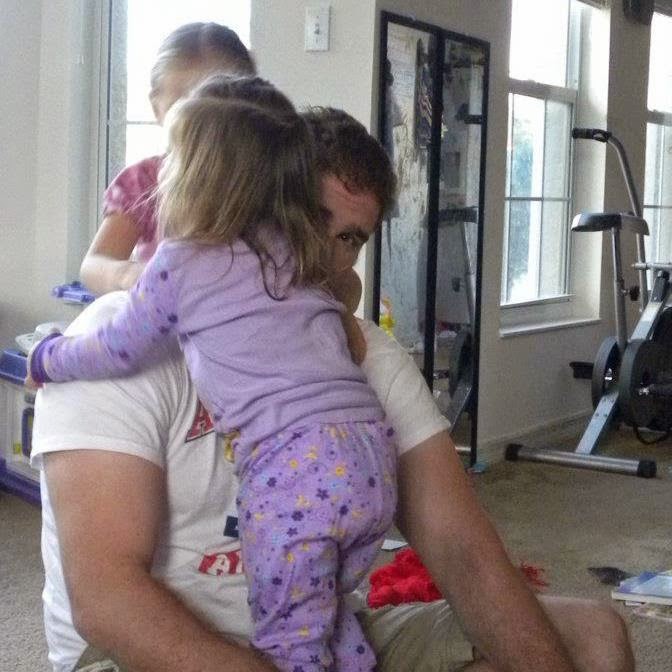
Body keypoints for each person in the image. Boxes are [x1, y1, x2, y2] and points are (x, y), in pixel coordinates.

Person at [30, 108, 634, 672]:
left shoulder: (367, 354)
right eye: (308, 219)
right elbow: (108, 599)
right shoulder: (122, 339)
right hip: (149, 652)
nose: (321, 256)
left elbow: (463, 553)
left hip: (325, 636)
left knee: (594, 638)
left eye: (348, 238)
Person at [30, 84, 398, 672]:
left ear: (186, 180)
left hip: (296, 473)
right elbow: (345, 302)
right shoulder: (292, 256)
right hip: (372, 460)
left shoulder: (181, 262)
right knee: (324, 609)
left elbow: (119, 349)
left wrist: (48, 358)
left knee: (290, 641)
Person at [80, 22, 256, 296]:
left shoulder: (264, 176)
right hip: (160, 315)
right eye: (182, 109)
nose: (200, 126)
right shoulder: (144, 181)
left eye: (216, 112)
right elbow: (93, 265)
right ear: (157, 108)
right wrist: (126, 274)